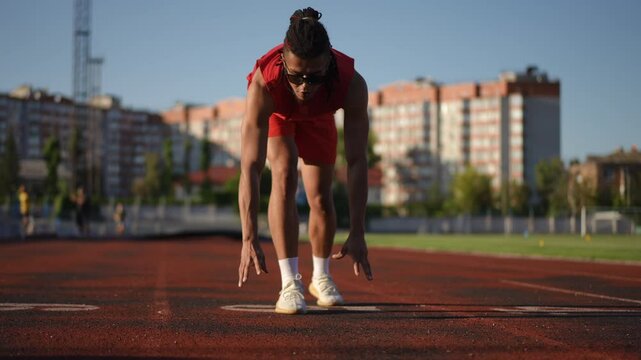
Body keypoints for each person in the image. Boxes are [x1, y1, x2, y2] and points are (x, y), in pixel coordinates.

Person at [238, 7, 373, 315]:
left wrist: (358, 230)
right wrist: (248, 236)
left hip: (320, 117)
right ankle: (290, 283)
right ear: (283, 61)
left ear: (329, 64)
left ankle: (321, 276)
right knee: (283, 176)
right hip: (279, 115)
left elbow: (356, 161)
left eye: (314, 78)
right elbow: (251, 166)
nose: (304, 87)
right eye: (296, 77)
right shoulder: (264, 82)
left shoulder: (351, 84)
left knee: (321, 199)